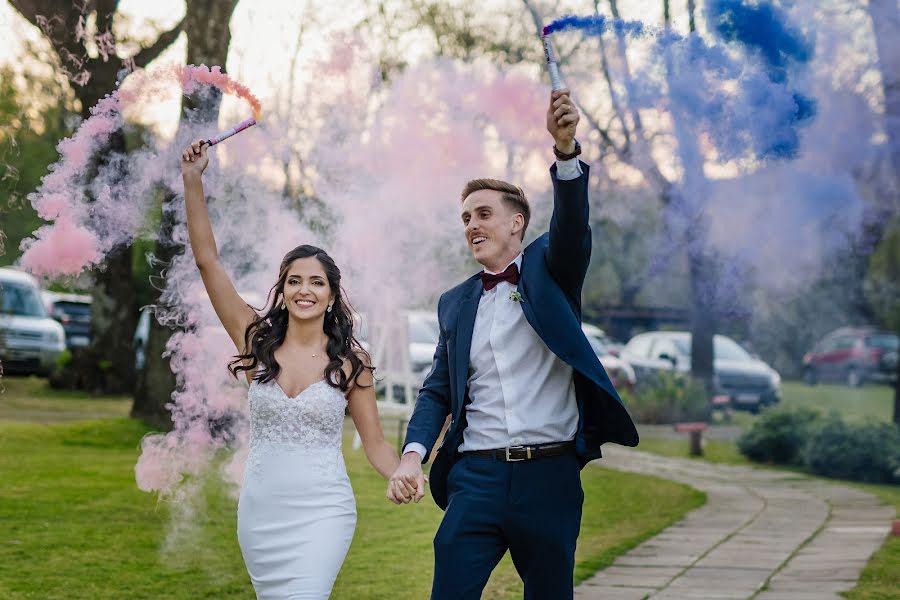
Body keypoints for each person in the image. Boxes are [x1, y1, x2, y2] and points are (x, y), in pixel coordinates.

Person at [385, 89, 639, 599]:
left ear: (516, 223)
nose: (471, 225)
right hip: (475, 478)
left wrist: (565, 151)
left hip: (549, 476)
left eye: (481, 214)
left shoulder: (552, 270)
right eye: (464, 219)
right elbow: (437, 390)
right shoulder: (455, 303)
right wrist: (412, 454)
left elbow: (572, 225)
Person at [181, 140, 413, 599]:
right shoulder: (255, 340)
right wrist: (193, 179)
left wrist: (400, 473)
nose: (304, 290)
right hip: (262, 513)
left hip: (323, 511)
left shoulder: (352, 361)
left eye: (316, 282)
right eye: (294, 281)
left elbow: (376, 444)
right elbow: (208, 262)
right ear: (282, 291)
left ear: (331, 296)